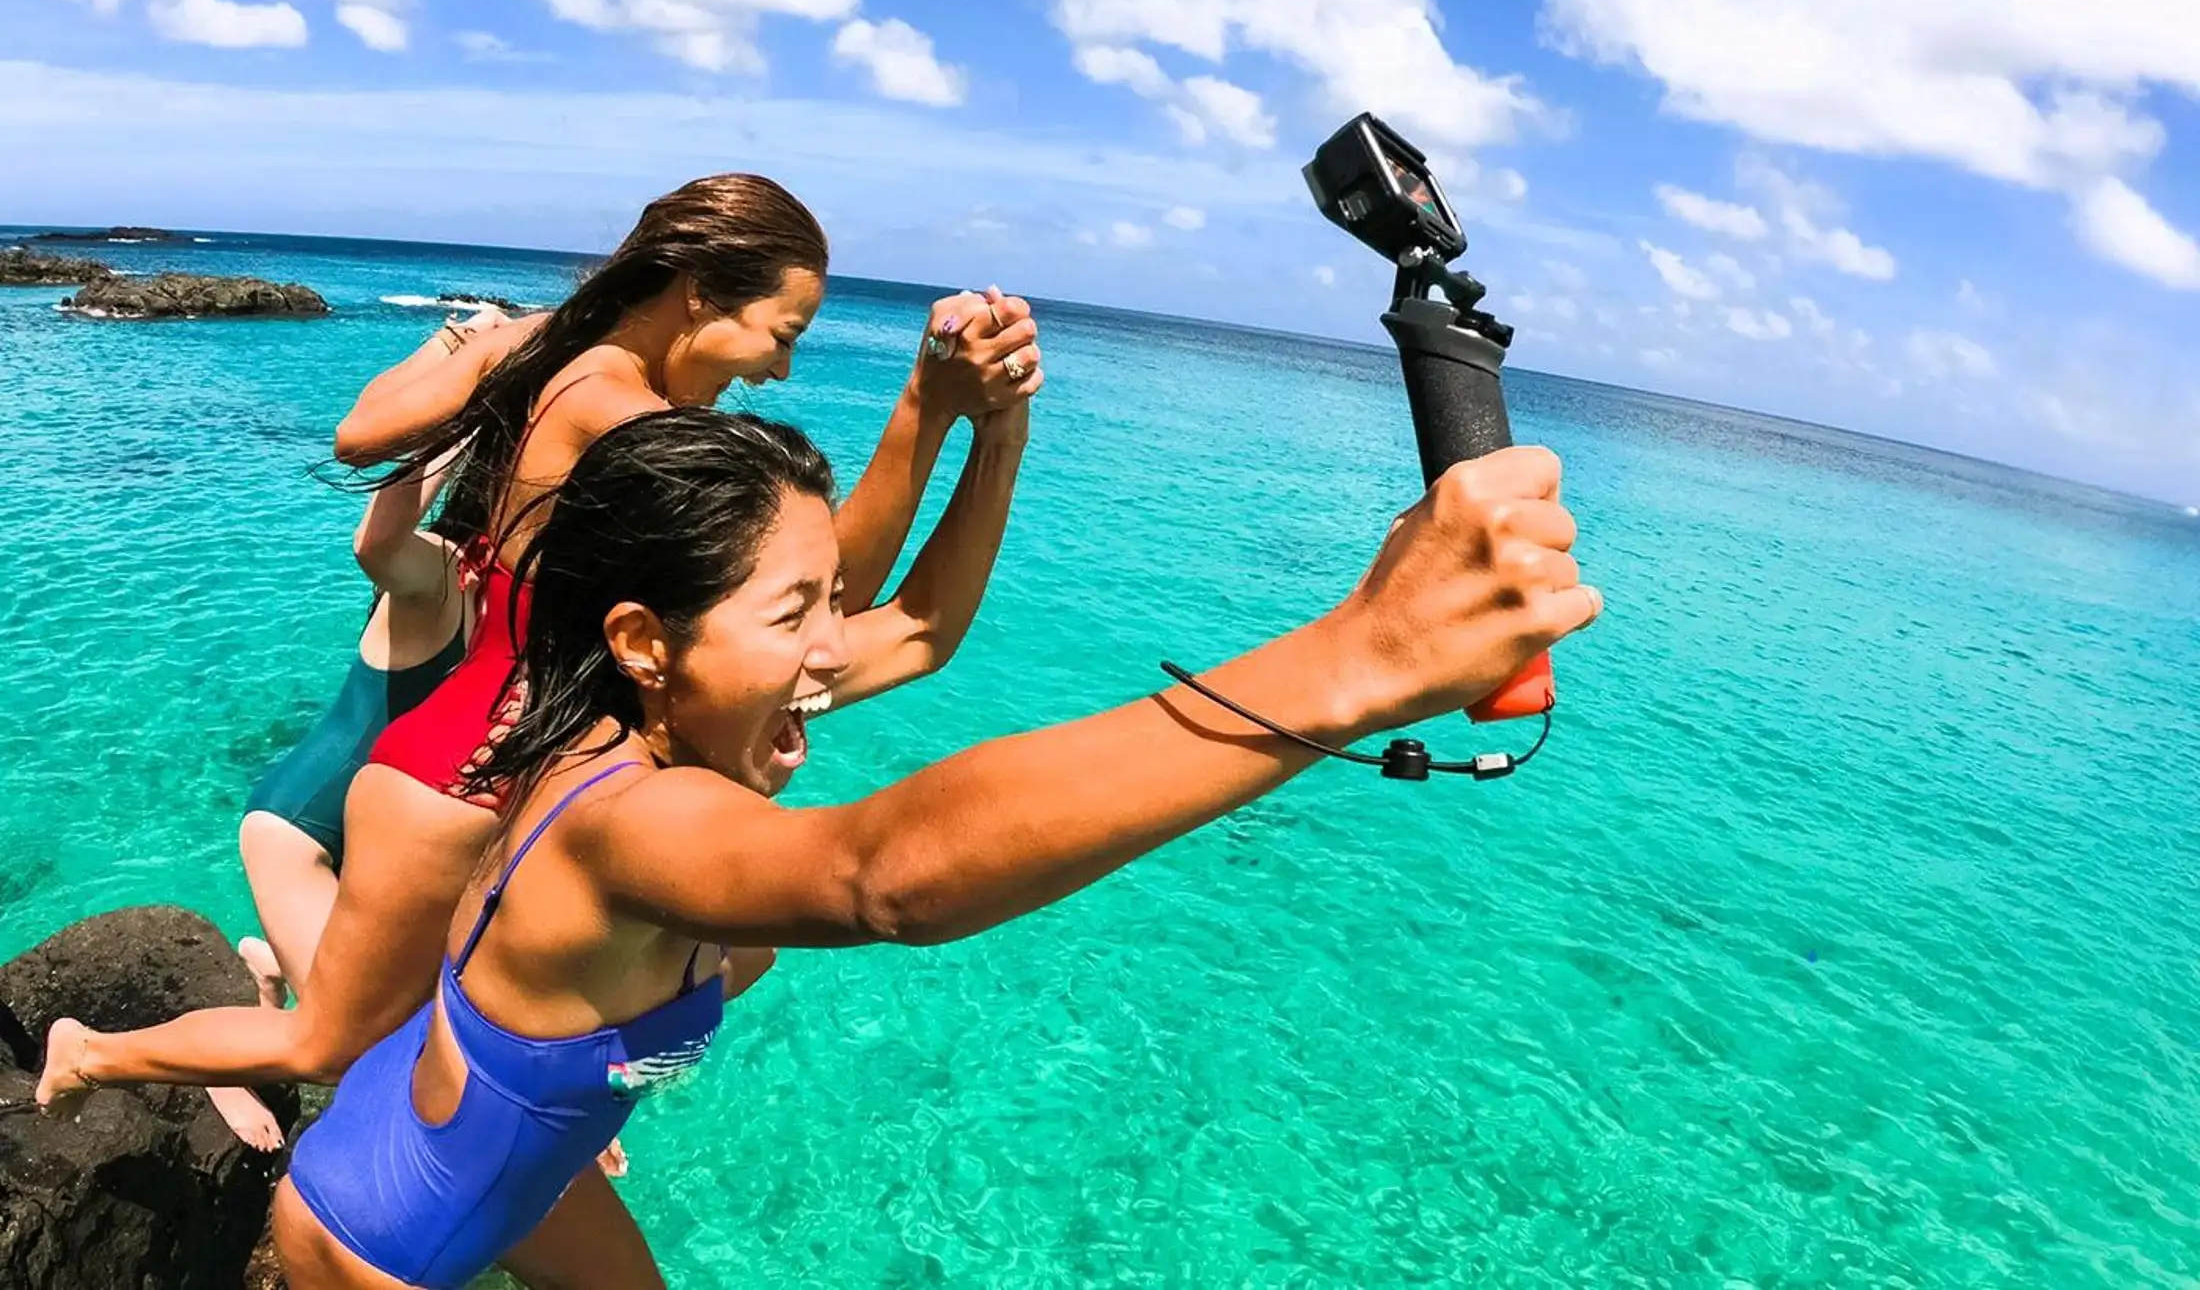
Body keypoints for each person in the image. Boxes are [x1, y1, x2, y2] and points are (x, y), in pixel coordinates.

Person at [259, 407, 1600, 1288]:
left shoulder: (599, 749)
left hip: (465, 1158)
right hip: (377, 1245)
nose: (835, 646)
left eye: (831, 601)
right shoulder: (636, 821)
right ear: (642, 643)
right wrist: (1351, 664)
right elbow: (884, 878)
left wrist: (591, 1072)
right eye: (798, 610)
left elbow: (671, 953)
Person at [36, 173, 1042, 1126]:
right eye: (782, 334)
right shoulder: (615, 408)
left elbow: (896, 629)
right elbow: (830, 592)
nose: (782, 366)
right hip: (466, 771)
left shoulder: (568, 357)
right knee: (326, 1041)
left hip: (570, 752)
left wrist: (993, 426)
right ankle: (91, 1052)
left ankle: (556, 1103)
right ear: (697, 296)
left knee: (736, 958)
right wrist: (927, 406)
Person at [210, 309, 513, 1151]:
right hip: (298, 836)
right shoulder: (440, 579)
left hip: (375, 850)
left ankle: (271, 968)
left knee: (424, 1025)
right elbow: (377, 541)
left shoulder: (518, 607)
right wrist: (454, 403)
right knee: (348, 1050)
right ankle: (218, 1060)